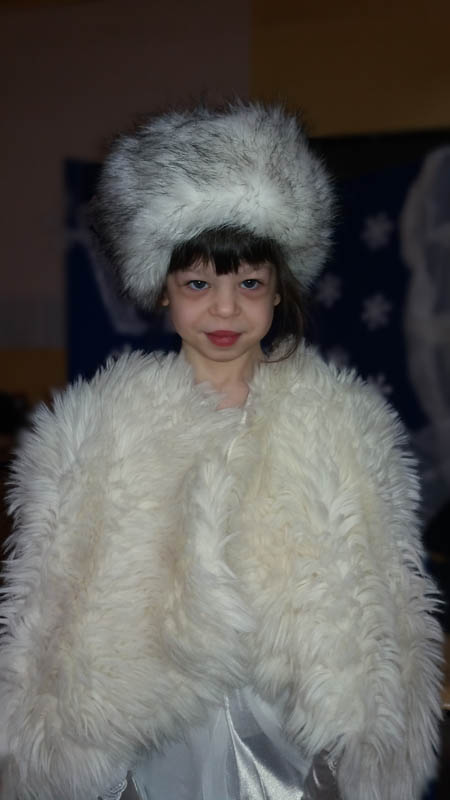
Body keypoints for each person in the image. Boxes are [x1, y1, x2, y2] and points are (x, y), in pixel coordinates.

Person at [0, 103, 442, 800]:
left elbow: (385, 599)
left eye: (249, 284)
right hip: (155, 743)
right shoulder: (99, 427)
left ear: (279, 289)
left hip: (294, 739)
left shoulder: (344, 423)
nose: (226, 310)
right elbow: (53, 602)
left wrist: (370, 741)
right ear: (163, 291)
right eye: (198, 284)